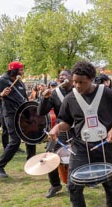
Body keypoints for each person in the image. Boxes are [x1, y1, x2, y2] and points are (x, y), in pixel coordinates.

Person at [48, 61, 112, 207]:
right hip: (80, 148)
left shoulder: (107, 93)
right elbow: (66, 122)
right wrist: (56, 128)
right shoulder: (70, 98)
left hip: (105, 146)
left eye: (81, 82)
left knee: (110, 183)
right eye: (75, 82)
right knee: (73, 186)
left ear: (91, 79)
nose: (77, 85)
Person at [0, 61, 36, 178]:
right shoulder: (2, 81)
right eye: (20, 70)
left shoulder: (19, 81)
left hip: (23, 113)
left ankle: (31, 163)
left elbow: (24, 97)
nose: (23, 72)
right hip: (10, 113)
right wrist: (1, 94)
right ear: (13, 70)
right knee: (15, 141)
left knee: (30, 137)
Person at [38, 70, 74, 198]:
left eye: (65, 75)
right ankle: (55, 184)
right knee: (50, 156)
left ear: (71, 77)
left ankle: (76, 183)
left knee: (81, 156)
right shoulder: (54, 93)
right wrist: (45, 98)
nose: (61, 78)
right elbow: (41, 112)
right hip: (60, 130)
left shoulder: (78, 90)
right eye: (60, 76)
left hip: (77, 129)